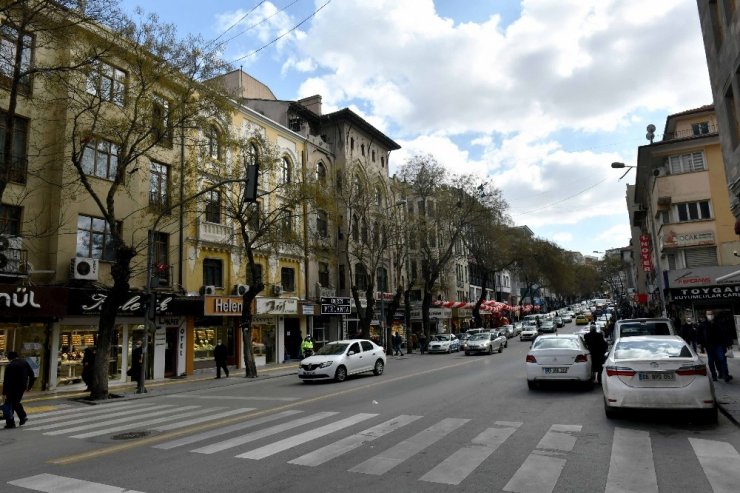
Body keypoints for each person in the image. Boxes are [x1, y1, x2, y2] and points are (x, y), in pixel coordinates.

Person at [2, 352, 35, 429]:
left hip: (11, 388)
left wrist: (4, 393)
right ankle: (21, 417)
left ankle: (13, 422)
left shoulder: (10, 366)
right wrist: (30, 386)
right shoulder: (24, 362)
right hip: (21, 387)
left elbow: (6, 381)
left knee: (9, 404)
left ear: (9, 358)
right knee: (15, 402)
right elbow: (32, 374)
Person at [698, 310, 733, 382]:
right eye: (708, 314)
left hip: (719, 345)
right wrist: (700, 345)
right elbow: (700, 335)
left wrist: (729, 344)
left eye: (711, 314)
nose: (710, 315)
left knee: (722, 359)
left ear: (714, 315)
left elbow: (726, 333)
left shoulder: (719, 323)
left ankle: (725, 375)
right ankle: (714, 375)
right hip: (709, 346)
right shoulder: (703, 325)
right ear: (706, 315)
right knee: (711, 361)